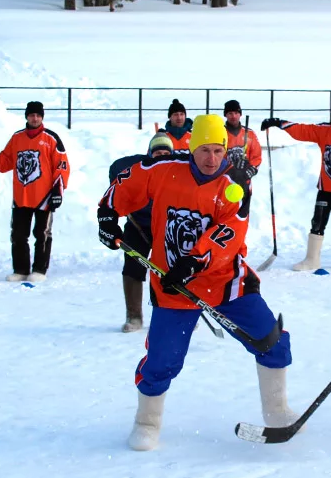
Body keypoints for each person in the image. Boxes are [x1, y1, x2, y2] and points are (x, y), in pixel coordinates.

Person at [97, 114, 299, 451]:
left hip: (225, 282)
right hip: (172, 288)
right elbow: (125, 182)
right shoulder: (164, 171)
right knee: (162, 360)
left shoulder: (235, 184)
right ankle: (146, 423)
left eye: (218, 150)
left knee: (271, 341)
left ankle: (277, 411)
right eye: (204, 150)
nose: (211, 158)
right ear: (191, 147)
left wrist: (193, 261)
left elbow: (230, 234)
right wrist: (107, 213)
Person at [261, 101, 331, 271]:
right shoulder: (324, 130)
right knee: (317, 223)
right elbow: (303, 130)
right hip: (326, 188)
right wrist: (279, 123)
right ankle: (312, 260)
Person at [0, 101, 70, 282]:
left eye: (37, 115)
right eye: (31, 115)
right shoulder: (17, 138)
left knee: (42, 234)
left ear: (42, 117)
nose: (34, 118)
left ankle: (39, 270)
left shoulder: (51, 138)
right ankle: (21, 269)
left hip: (44, 196)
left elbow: (62, 165)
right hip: (21, 196)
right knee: (18, 234)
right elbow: (6, 162)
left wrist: (58, 191)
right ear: (26, 117)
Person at [108, 132, 174, 332]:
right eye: (157, 151)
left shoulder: (178, 173)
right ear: (149, 153)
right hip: (138, 225)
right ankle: (134, 316)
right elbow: (117, 174)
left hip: (165, 226)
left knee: (171, 271)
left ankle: (175, 313)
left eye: (166, 152)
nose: (161, 155)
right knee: (133, 268)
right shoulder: (138, 170)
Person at [223, 100, 262, 187]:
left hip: (244, 181)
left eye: (236, 113)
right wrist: (230, 170)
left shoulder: (249, 133)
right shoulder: (220, 134)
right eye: (230, 113)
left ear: (240, 114)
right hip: (225, 181)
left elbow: (256, 156)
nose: (233, 116)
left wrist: (251, 170)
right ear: (225, 115)